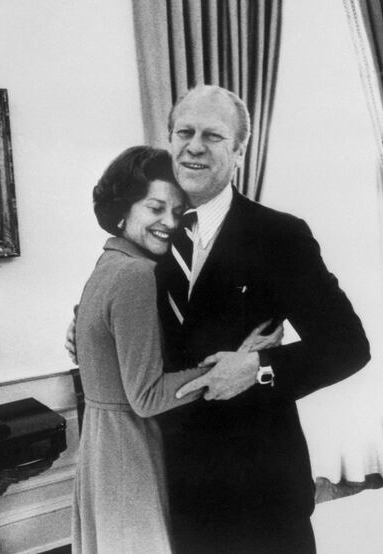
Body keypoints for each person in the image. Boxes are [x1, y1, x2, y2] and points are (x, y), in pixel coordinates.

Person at [156, 85, 370, 553]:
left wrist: (258, 369)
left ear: (238, 150)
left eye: (212, 136)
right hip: (173, 481)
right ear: (169, 140)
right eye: (183, 132)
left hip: (261, 484)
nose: (194, 146)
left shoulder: (280, 236)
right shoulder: (147, 232)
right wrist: (86, 330)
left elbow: (348, 345)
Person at [69, 145, 280, 554]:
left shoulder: (109, 260)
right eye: (155, 208)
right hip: (130, 448)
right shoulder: (135, 274)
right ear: (123, 207)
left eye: (178, 211)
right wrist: (233, 363)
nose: (169, 222)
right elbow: (147, 398)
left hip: (100, 445)